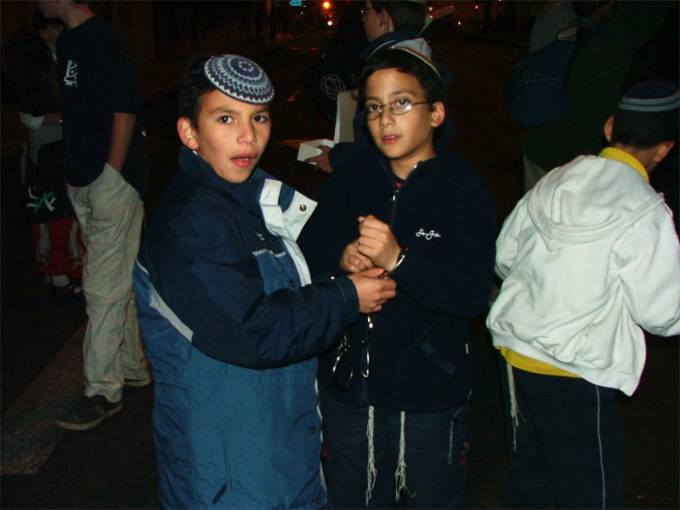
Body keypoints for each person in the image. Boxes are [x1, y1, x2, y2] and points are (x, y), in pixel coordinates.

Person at [132, 53, 397, 509]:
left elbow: (283, 286)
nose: (248, 136)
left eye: (259, 118)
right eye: (226, 118)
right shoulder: (189, 223)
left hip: (280, 447)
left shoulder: (251, 196)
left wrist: (341, 265)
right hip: (227, 471)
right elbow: (255, 330)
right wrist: (347, 296)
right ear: (189, 132)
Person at [298, 48, 496, 508]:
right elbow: (307, 249)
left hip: (428, 393)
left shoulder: (463, 190)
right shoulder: (353, 179)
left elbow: (470, 295)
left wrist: (400, 260)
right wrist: (343, 257)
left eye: (401, 103)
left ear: (436, 113)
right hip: (350, 387)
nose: (385, 119)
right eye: (373, 107)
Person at [486, 81, 680, 508]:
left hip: (516, 354)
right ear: (664, 149)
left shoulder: (557, 178)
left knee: (530, 479)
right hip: (575, 371)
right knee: (591, 492)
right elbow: (662, 313)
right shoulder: (647, 210)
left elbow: (503, 257)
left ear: (610, 127)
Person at [36, 0, 152, 430]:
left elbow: (124, 111)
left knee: (101, 287)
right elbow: (80, 111)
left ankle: (102, 390)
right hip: (83, 178)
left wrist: (111, 174)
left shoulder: (104, 40)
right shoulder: (67, 42)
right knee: (116, 276)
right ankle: (133, 365)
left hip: (111, 181)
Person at [306, 0, 434, 173]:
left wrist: (335, 158)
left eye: (366, 11)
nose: (363, 18)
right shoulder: (419, 56)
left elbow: (375, 143)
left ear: (384, 17)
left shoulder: (388, 70)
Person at [19, 10, 84, 298]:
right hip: (45, 150)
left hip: (66, 145)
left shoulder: (67, 58)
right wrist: (67, 118)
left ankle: (72, 268)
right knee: (52, 213)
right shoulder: (34, 62)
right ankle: (57, 271)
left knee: (71, 212)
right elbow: (30, 117)